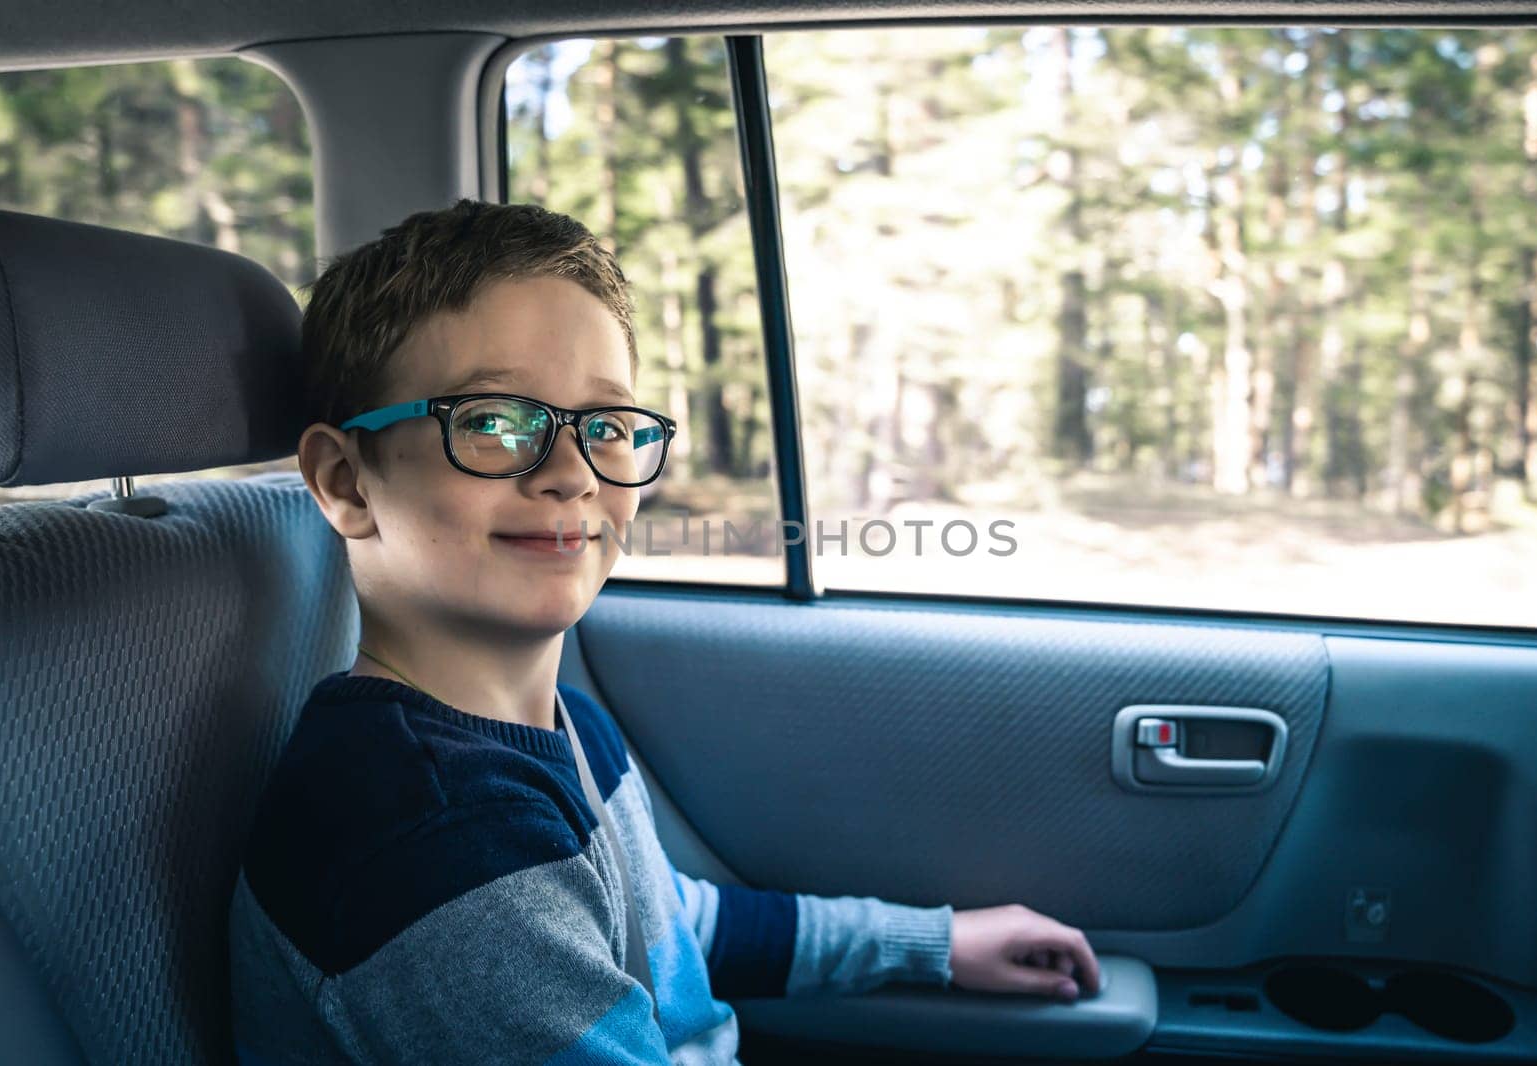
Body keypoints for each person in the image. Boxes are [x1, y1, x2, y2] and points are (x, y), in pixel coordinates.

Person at [227, 199, 1100, 1064]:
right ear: (344, 481)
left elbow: (669, 927)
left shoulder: (562, 727)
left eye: (606, 427)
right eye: (492, 422)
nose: (572, 475)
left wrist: (931, 942)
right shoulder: (434, 842)